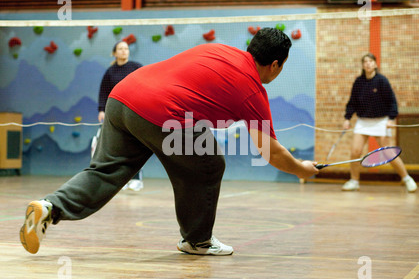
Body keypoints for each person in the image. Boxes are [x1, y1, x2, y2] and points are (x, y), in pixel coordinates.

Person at [19, 28, 319, 256]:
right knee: (209, 164)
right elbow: (271, 152)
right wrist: (301, 169)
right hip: (161, 112)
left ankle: (49, 207)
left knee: (107, 170)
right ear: (276, 64)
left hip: (122, 97)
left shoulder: (220, 50)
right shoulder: (252, 89)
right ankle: (197, 241)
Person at [342, 53, 417, 192]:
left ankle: (407, 179)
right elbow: (352, 102)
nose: (368, 64)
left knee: (389, 153)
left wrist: (391, 118)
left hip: (381, 121)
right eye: (365, 61)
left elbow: (392, 101)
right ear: (363, 65)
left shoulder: (382, 81)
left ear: (375, 64)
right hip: (363, 121)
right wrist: (347, 118)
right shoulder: (358, 82)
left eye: (370, 61)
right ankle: (354, 181)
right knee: (355, 152)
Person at [98, 41, 144, 191]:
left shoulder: (136, 67)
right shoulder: (110, 72)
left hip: (134, 111)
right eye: (120, 49)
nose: (124, 51)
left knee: (135, 146)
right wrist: (101, 110)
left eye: (126, 49)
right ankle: (122, 180)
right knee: (119, 147)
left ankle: (137, 179)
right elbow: (104, 92)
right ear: (115, 53)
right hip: (116, 114)